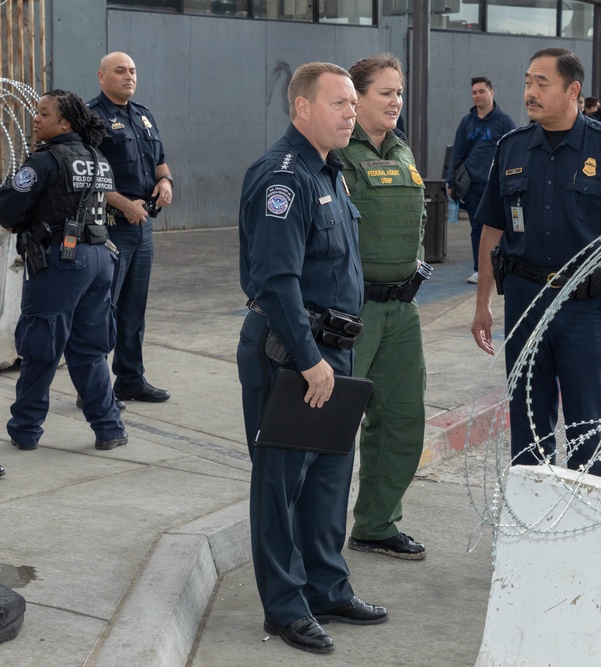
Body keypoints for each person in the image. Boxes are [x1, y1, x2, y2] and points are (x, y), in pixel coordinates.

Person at [237, 61, 387, 654]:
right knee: (280, 483)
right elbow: (275, 281)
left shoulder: (332, 173)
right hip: (292, 351)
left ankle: (326, 587)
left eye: (354, 103)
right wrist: (308, 359)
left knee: (328, 477)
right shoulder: (283, 178)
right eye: (340, 104)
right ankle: (284, 607)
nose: (353, 113)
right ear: (302, 108)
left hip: (332, 350)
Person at [471, 47, 601, 479]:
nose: (530, 92)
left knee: (586, 427)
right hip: (524, 302)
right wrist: (482, 304)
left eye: (541, 83)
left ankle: (584, 531)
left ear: (573, 90)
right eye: (527, 82)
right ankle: (531, 527)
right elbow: (491, 230)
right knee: (528, 425)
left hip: (583, 305)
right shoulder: (512, 148)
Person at [334, 53, 429, 561]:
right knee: (331, 427)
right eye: (385, 93)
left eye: (399, 93)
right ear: (357, 97)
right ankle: (318, 534)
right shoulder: (335, 153)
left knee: (401, 421)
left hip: (402, 312)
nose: (395, 102)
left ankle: (375, 523)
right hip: (354, 312)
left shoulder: (401, 151)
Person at [0, 90, 127, 453]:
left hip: (62, 262)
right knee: (89, 350)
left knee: (40, 345)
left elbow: (9, 209)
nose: (36, 119)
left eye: (44, 113)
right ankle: (109, 428)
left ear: (65, 122)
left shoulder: (45, 160)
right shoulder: (97, 157)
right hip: (100, 259)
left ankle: (25, 430)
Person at [87, 52, 172, 404]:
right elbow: (85, 172)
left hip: (142, 229)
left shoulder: (143, 115)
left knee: (134, 309)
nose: (128, 76)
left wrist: (165, 182)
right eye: (120, 71)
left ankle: (130, 379)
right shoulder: (91, 117)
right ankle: (92, 385)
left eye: (133, 70)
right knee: (102, 307)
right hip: (111, 227)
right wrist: (123, 204)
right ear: (102, 76)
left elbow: (161, 161)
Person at [447, 76, 516, 285]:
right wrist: (450, 182)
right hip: (473, 186)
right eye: (474, 92)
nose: (477, 95)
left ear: (491, 93)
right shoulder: (467, 122)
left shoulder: (504, 122)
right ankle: (479, 269)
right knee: (477, 228)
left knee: (501, 228)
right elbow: (457, 151)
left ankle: (502, 267)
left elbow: (513, 151)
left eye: (481, 91)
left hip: (496, 186)